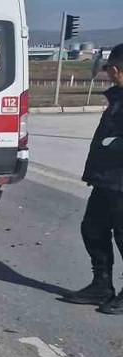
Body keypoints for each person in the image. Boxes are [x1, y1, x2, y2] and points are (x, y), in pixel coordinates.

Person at [65, 44, 123, 315]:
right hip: (107, 180)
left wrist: (112, 146)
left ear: (116, 69)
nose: (109, 74)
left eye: (110, 70)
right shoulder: (118, 96)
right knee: (92, 229)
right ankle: (101, 285)